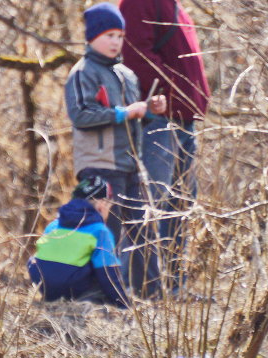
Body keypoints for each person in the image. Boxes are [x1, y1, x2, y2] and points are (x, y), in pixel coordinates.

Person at [64, 2, 167, 297]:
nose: (115, 42)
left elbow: (135, 118)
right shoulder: (82, 72)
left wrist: (150, 110)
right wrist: (125, 112)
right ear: (92, 37)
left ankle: (150, 295)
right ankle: (91, 295)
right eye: (108, 35)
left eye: (120, 36)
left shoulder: (126, 74)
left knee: (142, 229)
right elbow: (81, 115)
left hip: (130, 164)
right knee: (105, 232)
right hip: (99, 164)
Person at [120, 0, 211, 285]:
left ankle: (172, 285)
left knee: (180, 204)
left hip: (183, 121)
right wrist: (172, 90)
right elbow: (135, 55)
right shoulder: (138, 3)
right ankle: (139, 287)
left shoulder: (174, 5)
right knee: (149, 203)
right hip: (158, 120)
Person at [27, 175, 130, 307]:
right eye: (109, 206)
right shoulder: (100, 231)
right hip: (75, 290)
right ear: (101, 204)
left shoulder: (53, 225)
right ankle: (87, 301)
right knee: (102, 269)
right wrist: (123, 304)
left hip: (45, 287)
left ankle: (52, 298)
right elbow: (108, 273)